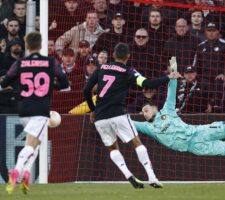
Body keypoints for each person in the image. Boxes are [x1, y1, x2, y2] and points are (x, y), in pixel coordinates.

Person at [84, 43, 181, 189]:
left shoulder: (101, 68)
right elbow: (147, 83)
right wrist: (169, 77)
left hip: (101, 117)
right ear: (128, 56)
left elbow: (86, 90)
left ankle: (128, 174)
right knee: (136, 142)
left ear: (114, 55)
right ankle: (152, 177)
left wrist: (93, 110)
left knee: (112, 147)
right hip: (118, 114)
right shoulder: (128, 71)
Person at [0, 32, 69, 194]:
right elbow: (65, 84)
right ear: (41, 44)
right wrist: (53, 85)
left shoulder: (20, 63)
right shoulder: (51, 63)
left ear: (27, 44)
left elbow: (4, 83)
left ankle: (26, 175)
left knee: (35, 143)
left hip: (23, 108)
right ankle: (16, 172)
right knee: (32, 146)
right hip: (40, 109)